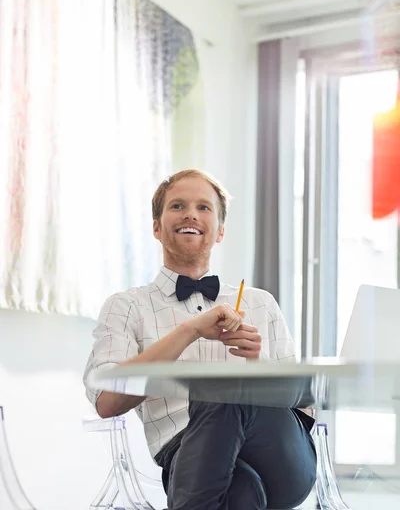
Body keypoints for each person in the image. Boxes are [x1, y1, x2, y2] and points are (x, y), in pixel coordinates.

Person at [83, 169, 316, 510]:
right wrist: (188, 331)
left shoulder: (259, 302)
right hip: (186, 457)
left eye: (204, 207)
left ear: (220, 231)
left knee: (223, 389)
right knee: (241, 493)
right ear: (157, 227)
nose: (191, 213)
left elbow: (303, 405)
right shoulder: (125, 306)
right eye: (178, 205)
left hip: (280, 457)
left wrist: (256, 365)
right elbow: (106, 402)